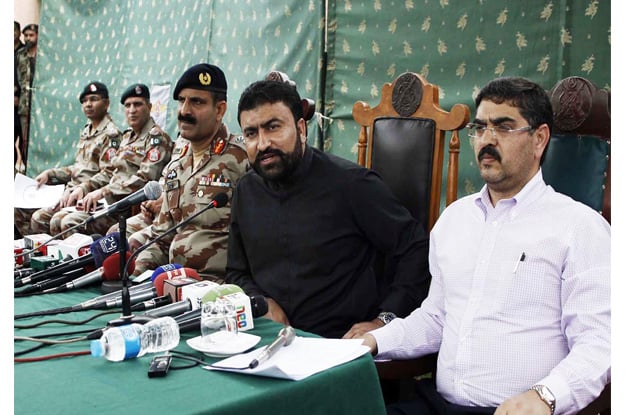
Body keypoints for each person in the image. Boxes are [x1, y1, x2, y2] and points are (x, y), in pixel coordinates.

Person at [358, 77, 611, 415]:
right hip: (436, 402)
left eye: (504, 128)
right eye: (481, 128)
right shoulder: (455, 219)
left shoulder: (579, 227)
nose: (487, 141)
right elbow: (436, 318)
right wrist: (374, 341)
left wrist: (546, 397)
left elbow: (600, 343)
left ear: (539, 139)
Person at [225, 80, 430, 339]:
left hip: (338, 345)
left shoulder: (352, 184)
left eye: (273, 127)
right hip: (265, 338)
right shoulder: (246, 190)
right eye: (251, 133)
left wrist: (384, 320)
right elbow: (236, 271)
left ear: (301, 129)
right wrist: (260, 301)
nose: (263, 143)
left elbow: (416, 248)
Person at [130, 63, 249, 278]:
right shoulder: (176, 166)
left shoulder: (242, 158)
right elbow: (162, 237)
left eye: (197, 102)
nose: (185, 111)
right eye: (182, 101)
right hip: (174, 282)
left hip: (218, 289)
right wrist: (136, 274)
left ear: (220, 109)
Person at [52, 83, 173, 237]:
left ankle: (92, 261)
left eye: (137, 104)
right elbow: (110, 172)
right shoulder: (128, 136)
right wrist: (86, 188)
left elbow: (144, 180)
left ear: (149, 107)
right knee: (57, 220)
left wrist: (103, 192)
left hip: (127, 207)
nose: (132, 110)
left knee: (70, 223)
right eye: (127, 106)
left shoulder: (156, 139)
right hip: (108, 203)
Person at [14, 81, 122, 237]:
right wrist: (51, 173)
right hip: (70, 191)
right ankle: (37, 255)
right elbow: (79, 168)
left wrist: (81, 188)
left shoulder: (111, 135)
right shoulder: (87, 131)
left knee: (43, 219)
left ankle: (61, 258)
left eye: (93, 99)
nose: (88, 104)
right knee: (18, 209)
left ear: (106, 103)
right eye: (84, 101)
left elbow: (108, 174)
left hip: (90, 197)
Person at [15, 23, 38, 168]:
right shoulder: (20, 54)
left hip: (41, 103)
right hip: (24, 103)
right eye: (26, 36)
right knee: (25, 140)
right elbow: (17, 77)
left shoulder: (44, 53)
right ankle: (27, 168)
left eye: (32, 35)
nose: (28, 38)